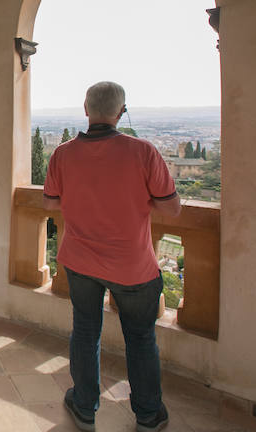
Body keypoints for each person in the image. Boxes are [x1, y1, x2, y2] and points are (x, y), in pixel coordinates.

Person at [43, 81, 181, 432]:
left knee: (86, 332)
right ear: (121, 112)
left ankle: (84, 407)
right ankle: (149, 414)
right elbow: (173, 209)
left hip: (79, 262)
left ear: (86, 110)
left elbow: (49, 203)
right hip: (132, 267)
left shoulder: (63, 154)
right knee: (140, 338)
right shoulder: (144, 152)